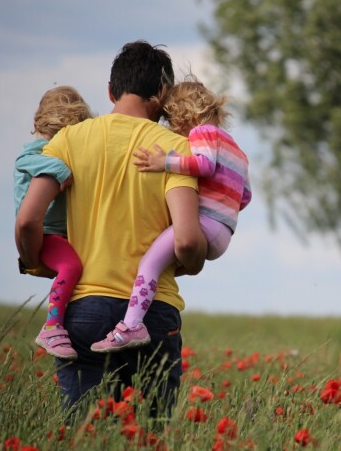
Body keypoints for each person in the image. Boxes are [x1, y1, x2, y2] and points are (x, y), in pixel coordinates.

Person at [15, 40, 207, 419]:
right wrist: (194, 261)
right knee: (150, 436)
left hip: (84, 311)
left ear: (110, 90)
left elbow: (26, 220)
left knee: (86, 434)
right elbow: (186, 240)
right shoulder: (175, 150)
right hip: (153, 314)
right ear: (163, 94)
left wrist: (34, 260)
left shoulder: (68, 140)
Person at [91, 77, 252, 353]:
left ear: (184, 113)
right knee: (162, 264)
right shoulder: (237, 150)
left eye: (171, 119)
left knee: (149, 264)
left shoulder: (203, 133)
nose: (171, 127)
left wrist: (163, 162)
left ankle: (131, 326)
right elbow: (245, 196)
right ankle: (140, 310)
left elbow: (203, 165)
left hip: (204, 224)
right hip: (224, 232)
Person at [13, 86, 92, 360]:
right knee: (71, 266)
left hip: (59, 233)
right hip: (46, 233)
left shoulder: (56, 149)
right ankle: (52, 326)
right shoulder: (39, 151)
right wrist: (60, 170)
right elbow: (24, 161)